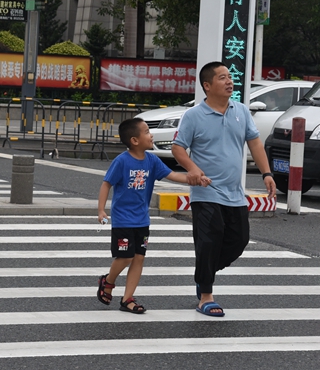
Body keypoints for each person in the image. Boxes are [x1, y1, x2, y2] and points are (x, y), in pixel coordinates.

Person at [172, 61, 276, 318]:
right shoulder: (194, 115)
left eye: (229, 77)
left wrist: (267, 174)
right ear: (207, 86)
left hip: (234, 193)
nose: (229, 81)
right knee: (209, 240)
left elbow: (255, 145)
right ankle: (205, 295)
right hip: (206, 191)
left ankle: (203, 275)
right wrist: (193, 169)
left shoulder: (241, 111)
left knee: (238, 241)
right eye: (222, 78)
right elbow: (178, 148)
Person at [97, 117, 209, 314]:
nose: (152, 135)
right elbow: (107, 183)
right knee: (125, 256)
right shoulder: (122, 161)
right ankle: (108, 281)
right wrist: (101, 210)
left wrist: (195, 179)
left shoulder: (151, 160)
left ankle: (127, 299)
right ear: (135, 140)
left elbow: (173, 175)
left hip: (142, 219)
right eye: (147, 131)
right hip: (123, 218)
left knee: (138, 258)